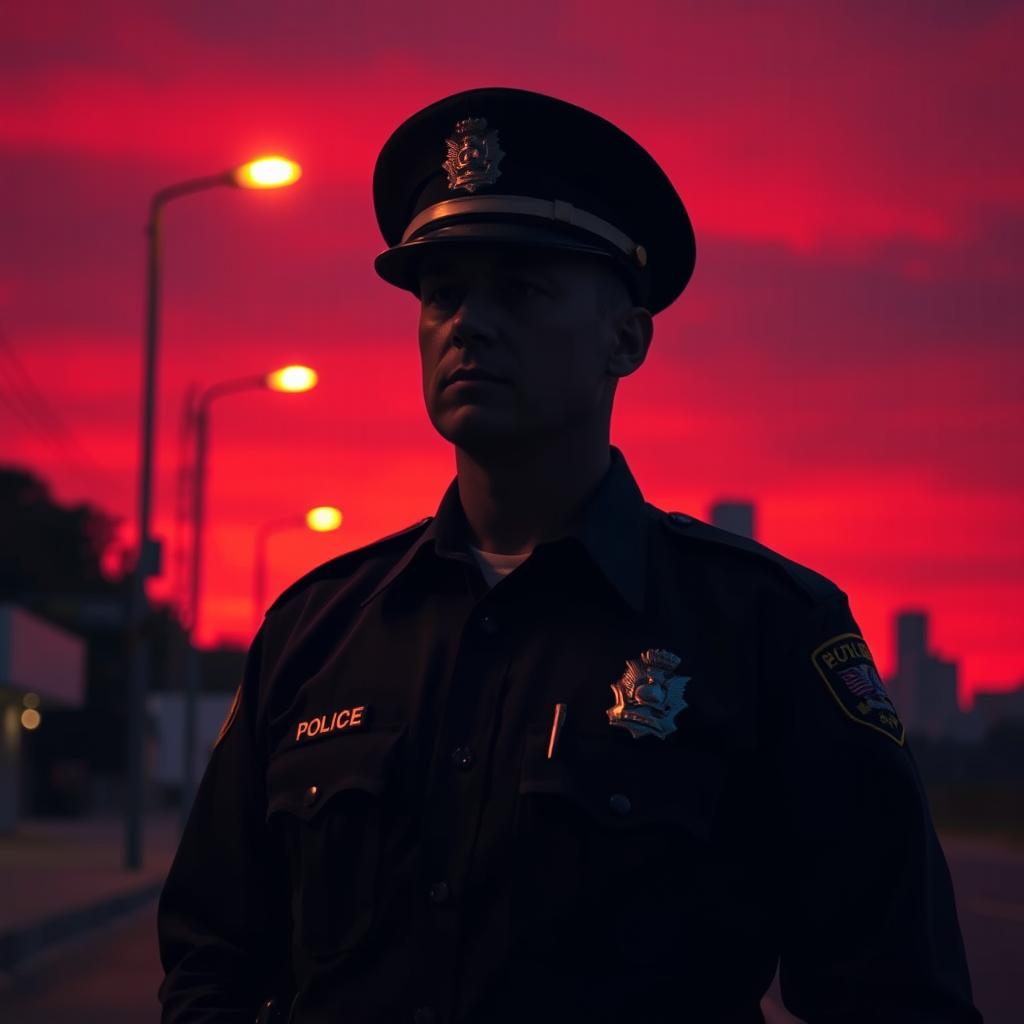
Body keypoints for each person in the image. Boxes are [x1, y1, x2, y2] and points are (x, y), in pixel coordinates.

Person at [157, 86, 981, 1024]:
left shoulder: (763, 630)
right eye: (443, 293)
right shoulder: (317, 635)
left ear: (626, 339)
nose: (469, 322)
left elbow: (894, 991)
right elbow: (210, 964)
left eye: (522, 289)